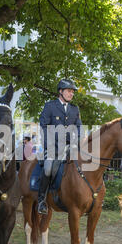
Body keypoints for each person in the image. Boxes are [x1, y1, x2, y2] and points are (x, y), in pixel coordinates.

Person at [37, 79, 82, 215]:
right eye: (69, 91)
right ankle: (41, 200)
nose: (71, 94)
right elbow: (43, 127)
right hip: (53, 147)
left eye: (73, 92)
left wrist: (78, 142)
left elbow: (79, 128)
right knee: (48, 168)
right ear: (61, 92)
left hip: (70, 148)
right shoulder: (50, 106)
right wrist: (49, 146)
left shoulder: (75, 109)